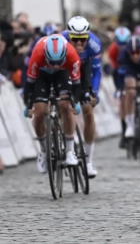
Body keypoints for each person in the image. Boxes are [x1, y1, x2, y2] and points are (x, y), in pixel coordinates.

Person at [23, 34, 82, 173]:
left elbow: (77, 84)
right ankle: (44, 151)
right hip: (42, 75)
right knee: (40, 112)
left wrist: (76, 101)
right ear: (45, 55)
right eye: (52, 62)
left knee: (65, 105)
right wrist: (28, 104)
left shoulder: (72, 55)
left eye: (58, 62)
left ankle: (69, 151)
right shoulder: (37, 54)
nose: (55, 66)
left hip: (62, 75)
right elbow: (30, 84)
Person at [61, 16, 102, 177]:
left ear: (88, 36)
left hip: (84, 72)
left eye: (82, 39)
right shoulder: (61, 41)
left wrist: (94, 92)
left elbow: (97, 72)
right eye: (75, 39)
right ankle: (69, 150)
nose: (79, 43)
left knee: (88, 111)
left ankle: (88, 161)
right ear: (69, 36)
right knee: (65, 105)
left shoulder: (94, 44)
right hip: (64, 70)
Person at [107, 26, 131, 148]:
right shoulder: (112, 50)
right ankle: (124, 131)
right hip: (120, 72)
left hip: (133, 69)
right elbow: (115, 71)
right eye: (119, 43)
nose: (122, 46)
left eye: (124, 43)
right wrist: (120, 88)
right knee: (123, 98)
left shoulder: (133, 47)